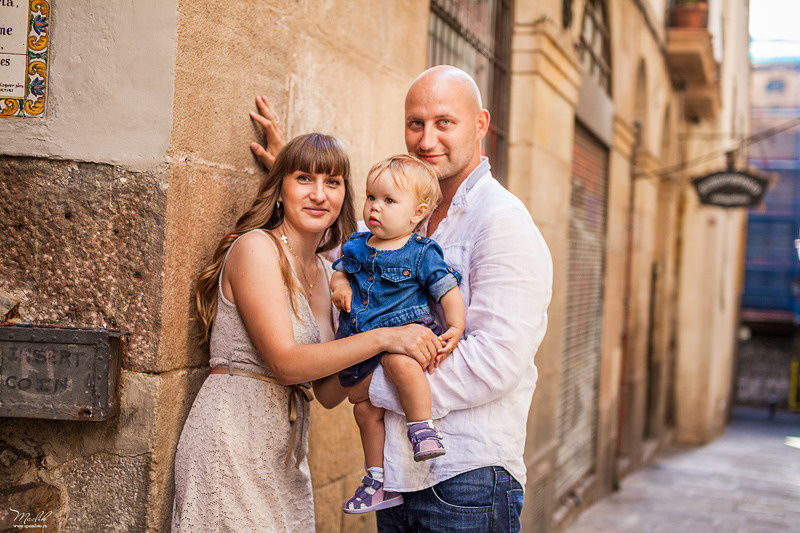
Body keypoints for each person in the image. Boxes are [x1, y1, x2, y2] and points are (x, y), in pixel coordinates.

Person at [251, 65, 552, 533]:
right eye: (416, 123)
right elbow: (351, 261)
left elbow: (495, 361)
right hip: (397, 477)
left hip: (466, 478)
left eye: (444, 123)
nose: (427, 139)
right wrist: (296, 181)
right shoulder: (409, 215)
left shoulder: (502, 222)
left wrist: (368, 387)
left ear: (480, 125)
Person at [171, 133, 443, 532]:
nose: (319, 195)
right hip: (229, 438)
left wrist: (395, 359)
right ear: (280, 190)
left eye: (332, 183)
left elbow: (329, 392)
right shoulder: (256, 249)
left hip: (285, 450)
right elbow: (285, 363)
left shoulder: (325, 273)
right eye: (303, 179)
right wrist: (388, 336)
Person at [331, 155, 465, 514]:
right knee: (363, 411)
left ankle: (422, 427)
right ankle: (376, 479)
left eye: (389, 201)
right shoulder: (357, 243)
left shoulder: (421, 253)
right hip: (360, 343)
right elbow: (340, 269)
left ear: (417, 213)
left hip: (404, 336)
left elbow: (446, 290)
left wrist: (456, 326)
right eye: (371, 197)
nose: (375, 207)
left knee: (400, 366)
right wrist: (340, 284)